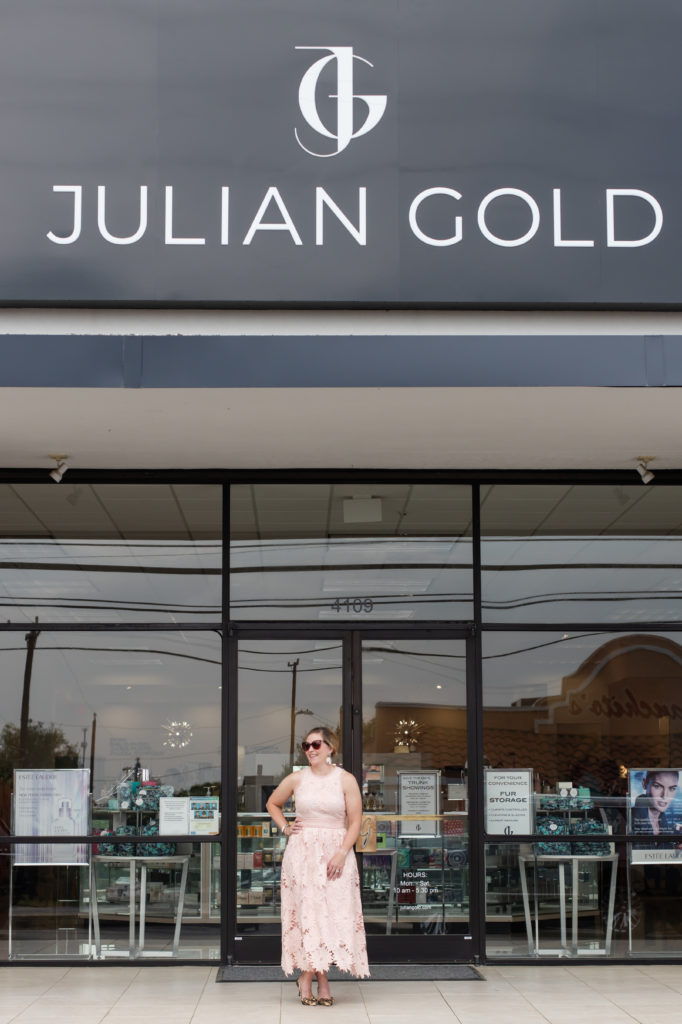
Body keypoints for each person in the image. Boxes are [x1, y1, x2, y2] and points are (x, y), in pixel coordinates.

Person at [266, 726, 369, 1005]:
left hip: (337, 853)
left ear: (330, 747)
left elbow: (355, 822)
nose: (310, 750)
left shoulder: (346, 780)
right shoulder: (297, 778)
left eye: (316, 744)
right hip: (303, 855)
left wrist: (342, 853)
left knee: (332, 914)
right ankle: (320, 981)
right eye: (306, 745)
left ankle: (308, 978)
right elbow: (272, 803)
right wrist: (286, 828)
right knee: (309, 916)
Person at [631, 769, 682, 848]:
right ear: (644, 784)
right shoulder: (629, 819)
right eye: (657, 786)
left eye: (672, 788)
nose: (665, 796)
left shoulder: (669, 828)